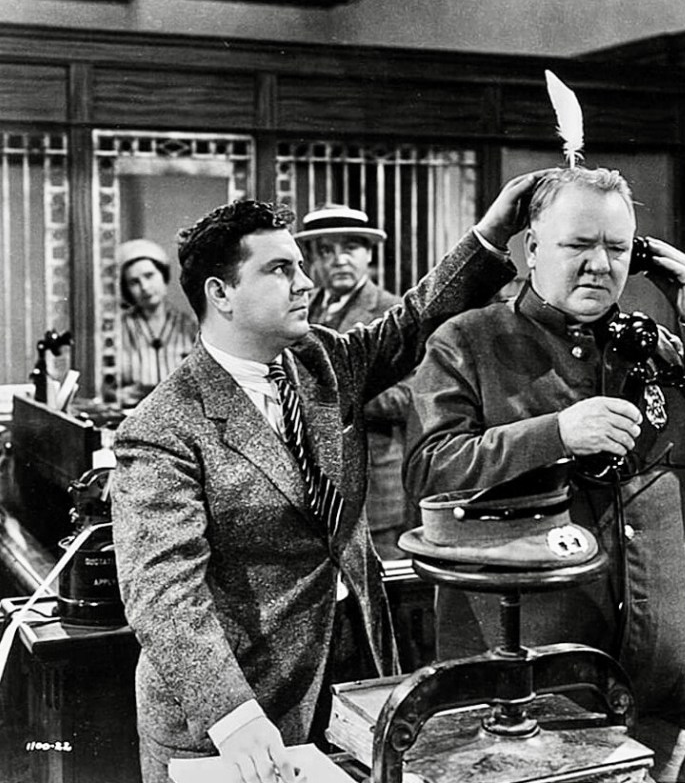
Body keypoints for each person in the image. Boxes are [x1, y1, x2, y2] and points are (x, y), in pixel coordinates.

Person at [110, 171, 541, 783]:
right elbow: (162, 592)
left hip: (352, 665)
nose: (305, 282)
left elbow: (413, 320)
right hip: (235, 706)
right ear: (221, 293)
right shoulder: (162, 426)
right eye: (280, 269)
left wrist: (492, 234)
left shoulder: (321, 359)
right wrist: (232, 714)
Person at [403, 166, 685, 718]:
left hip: (656, 664)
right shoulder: (468, 341)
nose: (600, 264)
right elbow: (430, 470)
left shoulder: (657, 348)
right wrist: (557, 434)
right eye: (578, 245)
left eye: (617, 249)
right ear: (532, 248)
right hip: (527, 668)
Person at [294, 206, 409, 560]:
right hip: (312, 492)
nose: (339, 259)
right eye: (326, 250)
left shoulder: (393, 312)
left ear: (369, 254)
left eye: (350, 248)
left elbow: (411, 395)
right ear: (313, 260)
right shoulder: (301, 311)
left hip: (374, 490)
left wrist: (332, 395)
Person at [115, 238, 198, 407]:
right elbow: (106, 388)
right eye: (134, 282)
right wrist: (119, 395)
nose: (144, 287)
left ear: (163, 276)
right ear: (127, 289)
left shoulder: (190, 326)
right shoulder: (118, 330)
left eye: (149, 276)